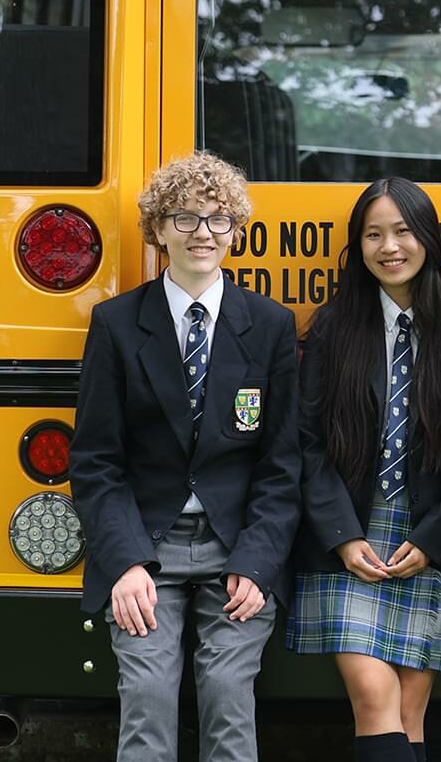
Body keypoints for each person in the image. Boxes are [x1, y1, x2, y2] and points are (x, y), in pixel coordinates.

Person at [70, 152, 301, 762]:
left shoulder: (270, 326)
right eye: (185, 218)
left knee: (228, 693)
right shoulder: (118, 324)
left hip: (237, 547)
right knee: (147, 695)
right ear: (157, 229)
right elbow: (95, 460)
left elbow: (281, 465)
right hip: (147, 547)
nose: (203, 232)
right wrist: (124, 563)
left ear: (235, 231)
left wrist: (257, 562)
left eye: (218, 219)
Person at [286, 177, 441, 762]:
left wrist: (432, 541)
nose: (389, 247)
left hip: (434, 536)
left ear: (429, 238)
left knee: (409, 709)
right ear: (357, 246)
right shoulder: (332, 327)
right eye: (373, 234)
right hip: (349, 535)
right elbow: (307, 441)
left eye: (403, 231)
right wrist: (342, 536)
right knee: (372, 693)